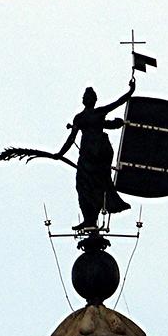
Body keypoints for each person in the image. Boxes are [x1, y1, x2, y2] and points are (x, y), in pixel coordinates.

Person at [55, 79, 135, 229]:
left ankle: (91, 219)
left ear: (92, 100)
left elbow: (118, 104)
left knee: (94, 186)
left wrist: (130, 91)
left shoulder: (95, 114)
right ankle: (89, 220)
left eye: (89, 97)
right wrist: (59, 153)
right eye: (85, 97)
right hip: (88, 155)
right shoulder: (82, 117)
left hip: (97, 154)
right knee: (84, 187)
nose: (87, 99)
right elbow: (72, 138)